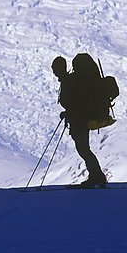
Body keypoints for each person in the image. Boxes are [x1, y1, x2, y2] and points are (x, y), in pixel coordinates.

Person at [52, 55, 107, 187]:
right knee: (83, 148)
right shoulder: (73, 80)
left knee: (83, 149)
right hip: (81, 118)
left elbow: (77, 103)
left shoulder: (71, 81)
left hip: (80, 120)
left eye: (55, 69)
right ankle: (96, 176)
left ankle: (97, 176)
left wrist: (69, 113)